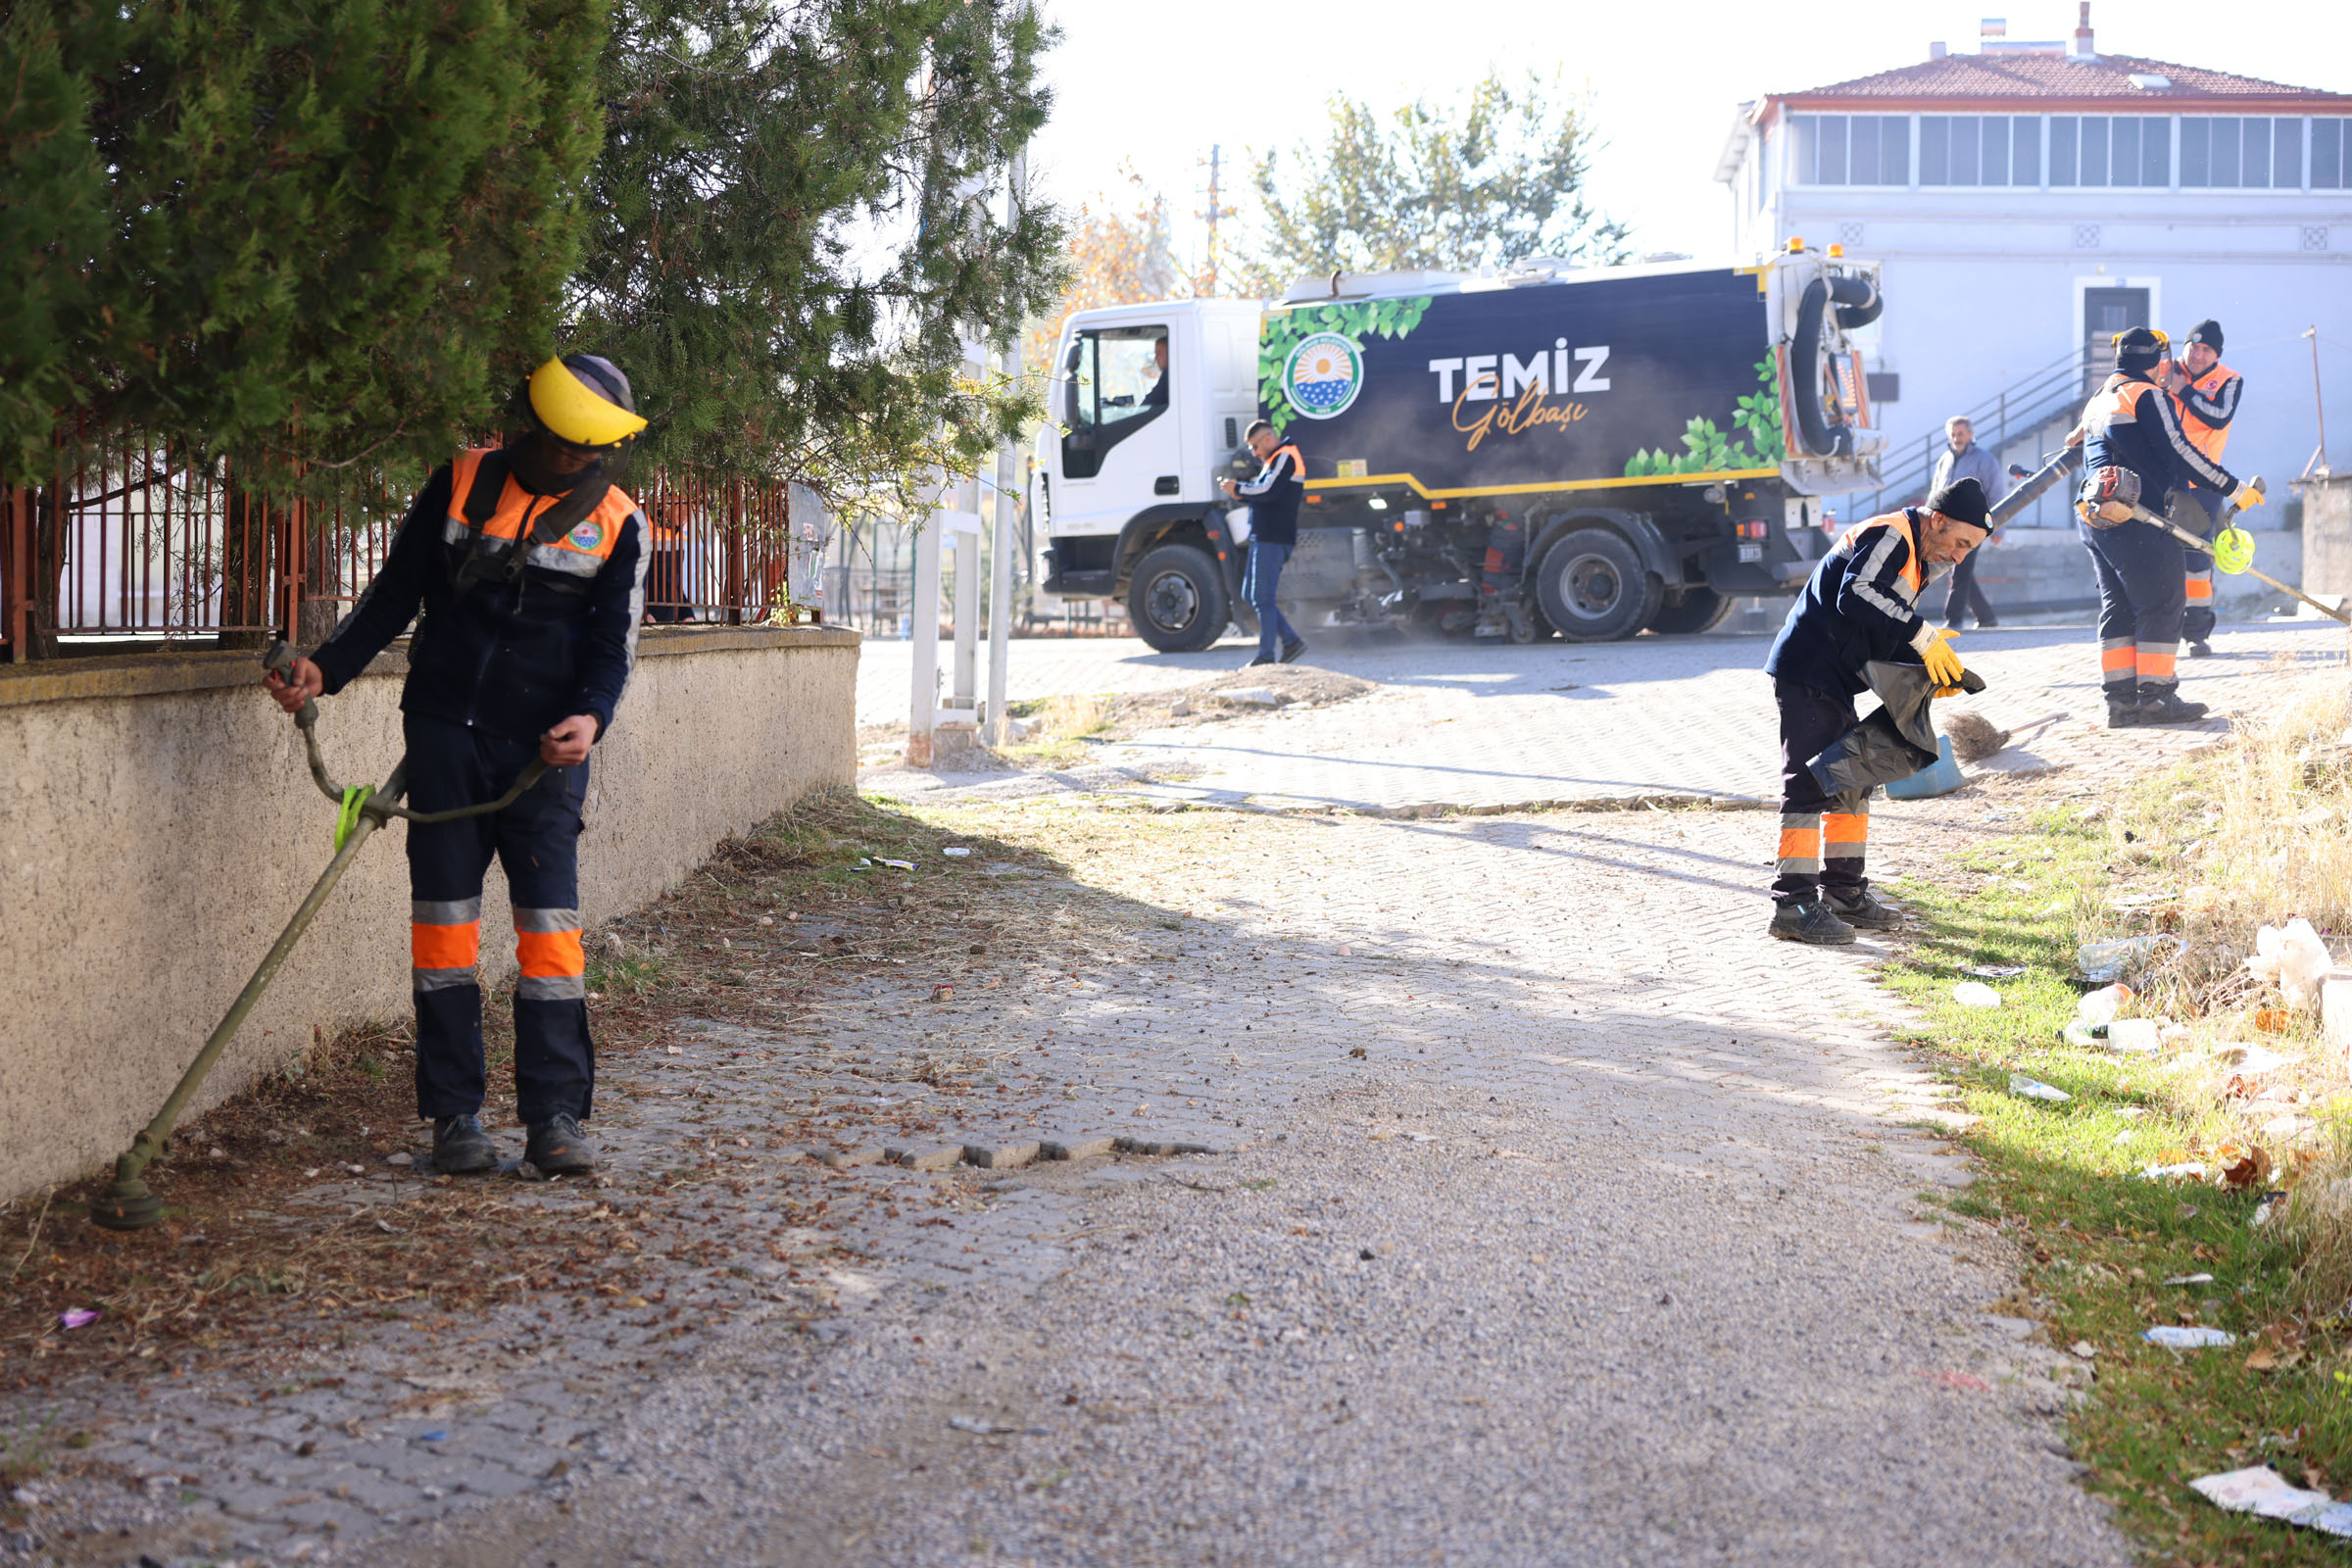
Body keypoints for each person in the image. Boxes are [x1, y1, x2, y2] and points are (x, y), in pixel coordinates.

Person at [264, 355, 653, 1178]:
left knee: (550, 939)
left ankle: (554, 1119)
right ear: (531, 426)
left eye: (586, 454)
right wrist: (324, 670)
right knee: (444, 932)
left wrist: (589, 720)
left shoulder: (620, 523)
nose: (569, 462)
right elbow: (395, 593)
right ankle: (456, 1118)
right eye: (557, 447)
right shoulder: (463, 481)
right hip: (445, 739)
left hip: (545, 757)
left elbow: (610, 655)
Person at [1763, 477, 1992, 945]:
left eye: (1972, 550)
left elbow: (1877, 628)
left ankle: (1844, 893)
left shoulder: (1917, 559)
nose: (1961, 556)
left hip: (1832, 680)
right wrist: (1923, 634)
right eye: (1962, 542)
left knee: (1852, 780)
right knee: (1808, 787)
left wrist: (1927, 672)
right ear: (1940, 520)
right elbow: (1858, 593)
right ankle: (1794, 904)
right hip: (1808, 672)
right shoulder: (1891, 534)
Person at [2070, 325, 2259, 728]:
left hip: (2097, 515)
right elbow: (2181, 451)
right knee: (2163, 603)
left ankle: (2121, 704)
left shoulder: (2100, 399)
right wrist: (2234, 487)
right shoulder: (2148, 395)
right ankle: (2157, 699)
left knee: (2118, 609)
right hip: (2139, 515)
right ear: (2155, 363)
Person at [2161, 319, 2243, 658]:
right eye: (2192, 347)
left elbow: (2219, 417)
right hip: (2161, 477)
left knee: (2196, 558)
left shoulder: (2229, 380)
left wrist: (2184, 391)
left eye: (2205, 349)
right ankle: (2160, 629)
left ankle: (2196, 633)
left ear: (2216, 354)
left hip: (2203, 481)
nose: (2197, 354)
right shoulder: (2163, 370)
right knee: (2159, 554)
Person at [1218, 418, 1306, 666]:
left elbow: (1268, 491)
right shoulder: (1274, 460)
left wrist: (1240, 488)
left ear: (1267, 438)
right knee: (1251, 594)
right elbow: (1263, 492)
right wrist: (1240, 490)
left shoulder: (1286, 457)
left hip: (1274, 538)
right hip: (1264, 537)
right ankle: (1291, 641)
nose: (1254, 454)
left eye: (1255, 447)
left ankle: (1267, 655)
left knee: (1263, 597)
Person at [1930, 416, 2003, 629]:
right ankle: (1987, 617)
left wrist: (1998, 527)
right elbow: (1936, 492)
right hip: (1946, 528)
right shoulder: (1945, 459)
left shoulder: (1985, 460)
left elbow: (1997, 495)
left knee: (1959, 570)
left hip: (1973, 527)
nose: (1956, 438)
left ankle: (1954, 619)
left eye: (1961, 434)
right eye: (1953, 434)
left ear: (1970, 434)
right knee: (1961, 571)